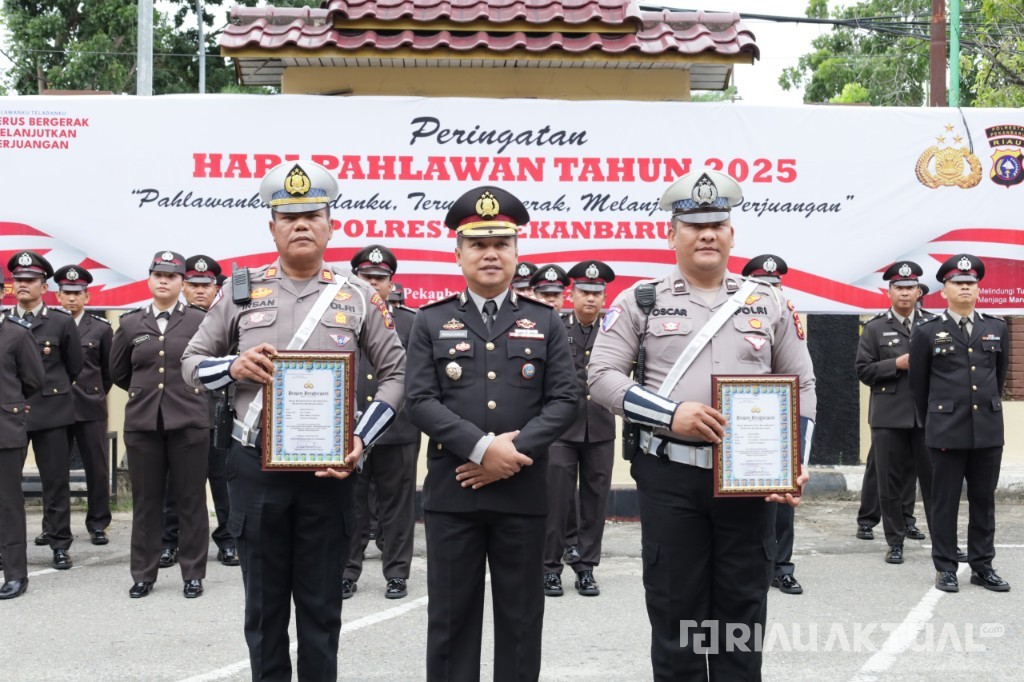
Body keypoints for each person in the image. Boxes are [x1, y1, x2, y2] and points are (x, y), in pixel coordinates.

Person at [181, 161, 406, 680]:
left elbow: (397, 375)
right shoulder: (240, 291)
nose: (301, 224)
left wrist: (360, 439)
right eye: (289, 216)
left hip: (329, 473)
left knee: (322, 609)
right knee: (263, 610)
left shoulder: (358, 295)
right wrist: (232, 367)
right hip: (255, 469)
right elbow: (192, 362)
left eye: (312, 214)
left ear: (331, 224)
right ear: (272, 227)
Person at [587, 169, 815, 680]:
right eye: (693, 225)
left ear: (732, 234)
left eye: (717, 223)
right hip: (671, 478)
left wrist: (795, 461)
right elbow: (601, 377)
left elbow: (803, 384)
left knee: (741, 610)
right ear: (672, 235)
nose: (707, 233)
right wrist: (671, 415)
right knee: (676, 611)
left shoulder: (768, 301)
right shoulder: (639, 301)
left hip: (750, 481)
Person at [404, 185, 578, 681]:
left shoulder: (544, 320)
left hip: (522, 492)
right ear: (457, 253)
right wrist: (482, 449)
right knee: (451, 622)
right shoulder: (431, 321)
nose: (490, 254)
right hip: (453, 493)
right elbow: (419, 401)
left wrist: (510, 452)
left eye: (501, 243)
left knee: (521, 623)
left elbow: (566, 400)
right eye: (477, 244)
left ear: (517, 253)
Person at [110, 251, 211, 599]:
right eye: (158, 275)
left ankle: (193, 573)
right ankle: (143, 574)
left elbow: (213, 366)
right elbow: (119, 372)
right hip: (143, 424)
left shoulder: (199, 321)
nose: (164, 280)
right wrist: (148, 395)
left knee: (191, 500)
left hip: (189, 421)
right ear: (150, 280)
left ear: (182, 283)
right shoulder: (130, 323)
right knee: (146, 501)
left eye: (171, 276)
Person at [910, 254, 1009, 593]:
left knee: (984, 500)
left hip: (987, 431)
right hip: (946, 431)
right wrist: (934, 423)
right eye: (957, 282)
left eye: (971, 282)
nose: (965, 286)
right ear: (944, 290)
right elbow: (918, 385)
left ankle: (983, 566)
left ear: (978, 289)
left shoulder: (996, 327)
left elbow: (999, 375)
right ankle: (946, 567)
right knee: (945, 501)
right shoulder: (928, 332)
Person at [343, 244, 421, 600]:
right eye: (366, 277)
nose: (373, 284)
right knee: (351, 504)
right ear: (354, 278)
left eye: (380, 278)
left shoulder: (412, 322)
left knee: (398, 505)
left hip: (398, 427)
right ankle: (347, 571)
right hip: (349, 427)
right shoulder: (338, 316)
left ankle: (397, 573)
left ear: (391, 283)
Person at [159, 255, 239, 568]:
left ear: (216, 287)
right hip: (181, 409)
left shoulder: (229, 317)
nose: (200, 291)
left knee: (223, 480)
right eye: (193, 285)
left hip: (218, 408)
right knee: (175, 482)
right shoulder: (172, 321)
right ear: (183, 287)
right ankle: (170, 540)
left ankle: (228, 539)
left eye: (206, 285)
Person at [543, 260, 616, 598]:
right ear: (572, 294)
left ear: (604, 297)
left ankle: (586, 568)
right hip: (560, 430)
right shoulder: (555, 327)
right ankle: (550, 568)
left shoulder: (614, 331)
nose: (590, 299)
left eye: (597, 294)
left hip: (600, 427)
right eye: (585, 292)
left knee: (595, 501)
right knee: (556, 502)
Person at [855, 260, 936, 566]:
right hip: (889, 415)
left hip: (927, 415)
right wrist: (896, 365)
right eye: (899, 288)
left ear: (919, 291)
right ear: (889, 292)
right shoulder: (875, 328)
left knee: (933, 483)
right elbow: (863, 370)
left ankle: (943, 540)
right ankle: (895, 541)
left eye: (910, 288)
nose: (905, 293)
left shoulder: (933, 325)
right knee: (888, 483)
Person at [5, 251, 82, 570]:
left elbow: (74, 366)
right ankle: (5, 546)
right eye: (17, 280)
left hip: (52, 410)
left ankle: (59, 542)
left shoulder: (61, 321)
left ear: (43, 285)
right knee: (6, 486)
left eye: (30, 280)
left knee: (55, 481)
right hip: (10, 415)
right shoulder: (4, 324)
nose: (23, 285)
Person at [741, 254, 808, 595]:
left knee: (780, 495)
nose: (771, 291)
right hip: (736, 413)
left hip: (777, 414)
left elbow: (799, 371)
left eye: (775, 285)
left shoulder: (787, 313)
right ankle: (748, 564)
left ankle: (781, 566)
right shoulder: (734, 310)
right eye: (762, 285)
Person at [53, 265, 114, 546]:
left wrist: (95, 393)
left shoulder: (100, 328)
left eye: (78, 293)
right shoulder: (48, 324)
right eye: (67, 293)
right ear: (58, 296)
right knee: (54, 470)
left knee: (97, 468)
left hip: (90, 406)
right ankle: (53, 526)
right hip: (55, 407)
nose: (72, 298)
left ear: (87, 297)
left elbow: (108, 371)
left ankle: (98, 523)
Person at [0, 268, 46, 599]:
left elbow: (33, 380)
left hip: (3, 427)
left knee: (7, 502)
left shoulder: (15, 334)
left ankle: (15, 572)